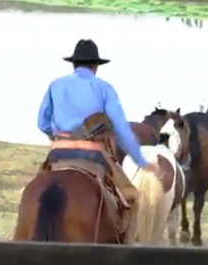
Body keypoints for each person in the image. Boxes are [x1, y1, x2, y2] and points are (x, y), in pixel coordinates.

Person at [36, 38, 161, 226]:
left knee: (35, 188)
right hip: (94, 154)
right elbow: (122, 129)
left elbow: (42, 123)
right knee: (132, 198)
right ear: (96, 66)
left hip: (58, 153)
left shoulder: (55, 85)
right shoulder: (105, 88)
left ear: (74, 64)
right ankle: (124, 248)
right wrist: (142, 161)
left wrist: (57, 135)